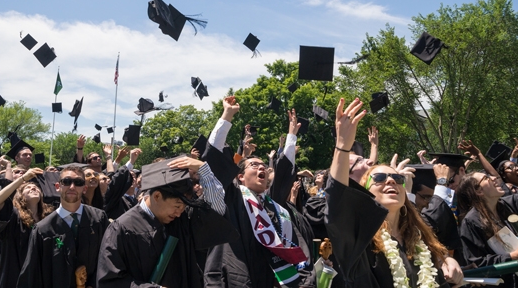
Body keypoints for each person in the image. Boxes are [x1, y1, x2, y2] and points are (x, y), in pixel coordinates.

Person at [325, 98, 463, 288]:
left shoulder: (419, 237)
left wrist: (447, 259)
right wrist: (342, 146)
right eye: (380, 178)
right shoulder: (358, 240)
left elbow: (440, 257)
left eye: (397, 179)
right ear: (366, 193)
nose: (391, 180)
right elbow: (337, 201)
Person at [203, 97, 315, 287]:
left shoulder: (275, 206)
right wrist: (227, 115)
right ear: (240, 177)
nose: (261, 168)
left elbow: (284, 174)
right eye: (254, 165)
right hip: (237, 277)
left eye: (264, 165)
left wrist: (291, 137)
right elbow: (214, 162)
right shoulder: (231, 197)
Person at [97, 148, 231, 288]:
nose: (179, 213)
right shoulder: (122, 228)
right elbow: (110, 281)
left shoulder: (181, 221)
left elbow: (216, 210)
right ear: (157, 196)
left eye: (184, 207)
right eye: (177, 206)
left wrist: (203, 169)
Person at [18, 166, 109, 288]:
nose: (72, 187)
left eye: (78, 183)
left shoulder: (99, 219)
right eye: (66, 182)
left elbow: (108, 260)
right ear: (57, 187)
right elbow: (32, 274)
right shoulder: (43, 229)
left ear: (84, 188)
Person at [0, 167, 53, 288]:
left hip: (41, 276)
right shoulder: (13, 216)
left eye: (36, 188)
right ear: (20, 196)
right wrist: (23, 178)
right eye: (27, 188)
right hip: (16, 277)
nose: (33, 188)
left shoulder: (48, 218)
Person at [457, 170, 518, 287]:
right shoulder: (471, 222)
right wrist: (511, 257)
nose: (494, 178)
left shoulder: (508, 205)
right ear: (478, 191)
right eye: (486, 178)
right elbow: (477, 263)